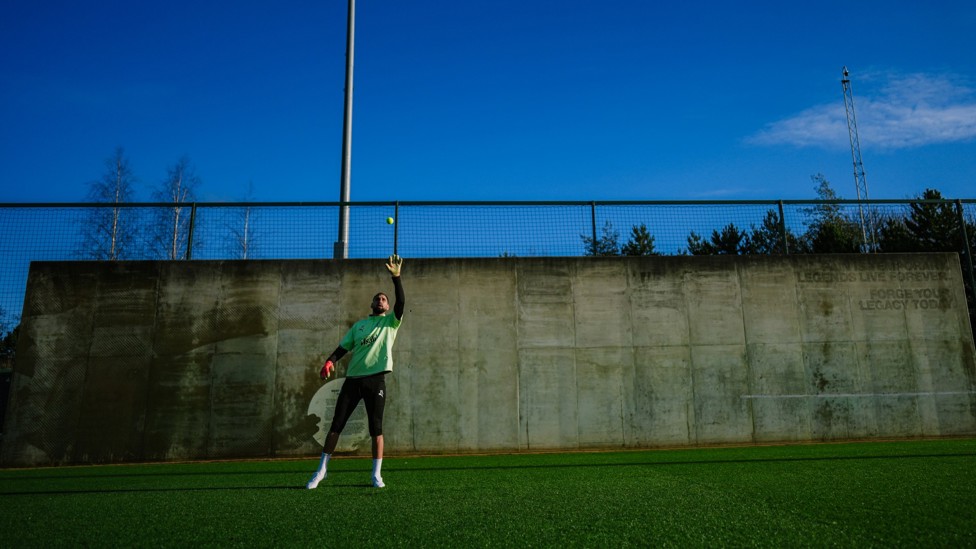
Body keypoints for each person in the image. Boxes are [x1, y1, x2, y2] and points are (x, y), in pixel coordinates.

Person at [307, 255, 404, 489]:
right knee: (336, 426)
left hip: (375, 381)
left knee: (376, 429)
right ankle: (321, 471)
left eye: (384, 299)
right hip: (352, 381)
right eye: (377, 298)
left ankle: (376, 475)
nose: (380, 300)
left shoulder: (390, 323)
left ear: (388, 306)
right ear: (372, 304)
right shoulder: (359, 326)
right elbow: (342, 348)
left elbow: (401, 302)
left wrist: (396, 278)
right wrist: (329, 361)